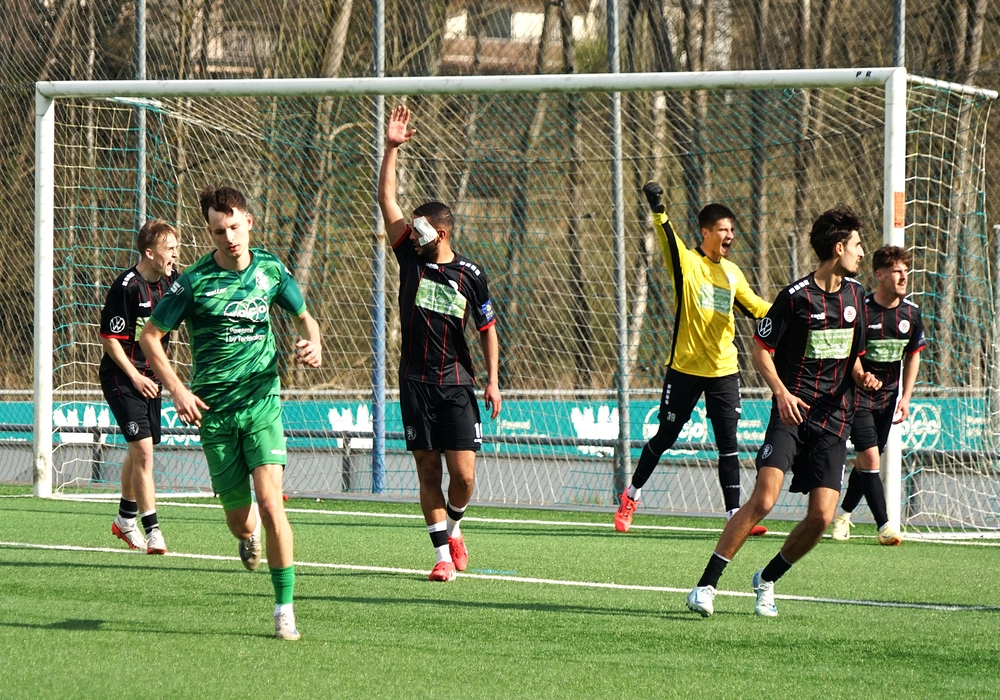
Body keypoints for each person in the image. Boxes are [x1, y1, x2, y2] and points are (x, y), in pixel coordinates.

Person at [139, 186, 322, 641]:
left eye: (236, 227)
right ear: (210, 233)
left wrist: (313, 342)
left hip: (261, 403)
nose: (230, 238)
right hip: (213, 413)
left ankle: (284, 609)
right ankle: (248, 534)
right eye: (220, 231)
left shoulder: (271, 270)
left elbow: (305, 317)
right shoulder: (193, 282)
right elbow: (149, 336)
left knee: (272, 503)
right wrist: (177, 389)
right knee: (241, 522)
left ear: (249, 223)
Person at [686, 206, 882, 618]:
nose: (863, 252)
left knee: (822, 517)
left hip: (834, 420)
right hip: (792, 414)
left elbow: (855, 357)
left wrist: (862, 376)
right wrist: (780, 394)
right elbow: (761, 349)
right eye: (858, 245)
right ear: (838, 248)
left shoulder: (856, 297)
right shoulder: (795, 297)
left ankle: (767, 578)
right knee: (764, 499)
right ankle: (705, 586)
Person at [378, 104, 501, 582]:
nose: (413, 234)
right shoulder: (409, 256)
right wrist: (391, 149)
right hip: (415, 383)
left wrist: (492, 381)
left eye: (421, 229)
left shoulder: (470, 274)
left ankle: (455, 528)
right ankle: (441, 557)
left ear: (441, 233)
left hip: (456, 384)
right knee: (428, 472)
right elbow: (386, 199)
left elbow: (487, 329)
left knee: (464, 477)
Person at [614, 182, 771, 535]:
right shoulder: (687, 263)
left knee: (728, 444)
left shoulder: (732, 273)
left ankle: (734, 516)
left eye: (732, 230)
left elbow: (757, 308)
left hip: (724, 371)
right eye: (723, 229)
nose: (730, 235)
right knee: (666, 437)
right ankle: (631, 495)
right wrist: (658, 209)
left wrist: (792, 307)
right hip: (684, 369)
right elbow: (668, 239)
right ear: (706, 233)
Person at [831, 245, 925, 546]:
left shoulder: (911, 313)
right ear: (880, 275)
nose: (903, 276)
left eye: (906, 271)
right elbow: (847, 351)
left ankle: (843, 514)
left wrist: (906, 396)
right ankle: (885, 526)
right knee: (871, 458)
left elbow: (913, 355)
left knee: (865, 463)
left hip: (887, 400)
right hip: (856, 396)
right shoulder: (861, 310)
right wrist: (861, 375)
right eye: (897, 271)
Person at [100, 219, 179, 555]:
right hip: (123, 376)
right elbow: (109, 340)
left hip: (152, 378)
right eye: (169, 248)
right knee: (144, 452)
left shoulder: (172, 282)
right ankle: (153, 531)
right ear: (150, 253)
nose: (175, 254)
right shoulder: (126, 287)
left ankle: (124, 519)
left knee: (140, 450)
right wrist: (134, 376)